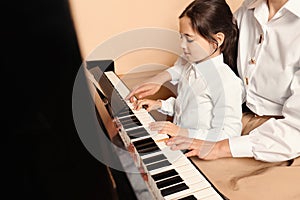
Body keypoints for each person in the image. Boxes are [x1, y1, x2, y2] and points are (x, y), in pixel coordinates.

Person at [126, 0, 300, 162]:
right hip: (240, 117)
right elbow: (201, 52)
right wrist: (161, 81)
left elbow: (295, 131)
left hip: (276, 136)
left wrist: (217, 147)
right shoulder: (247, 10)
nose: (183, 45)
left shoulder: (226, 83)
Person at [131, 0, 244, 143]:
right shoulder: (189, 67)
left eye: (189, 39)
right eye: (181, 37)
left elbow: (228, 133)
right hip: (178, 143)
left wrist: (181, 132)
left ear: (217, 40)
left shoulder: (226, 82)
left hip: (199, 151)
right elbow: (187, 109)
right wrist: (160, 105)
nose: (182, 45)